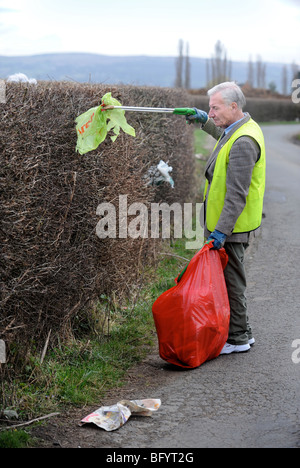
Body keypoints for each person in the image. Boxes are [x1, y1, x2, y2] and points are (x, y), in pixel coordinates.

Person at [187, 82, 266, 355]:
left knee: (233, 281)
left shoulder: (244, 142)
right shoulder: (239, 129)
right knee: (230, 277)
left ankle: (238, 339)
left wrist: (220, 232)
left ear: (234, 106)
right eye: (209, 108)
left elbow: (236, 195)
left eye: (215, 108)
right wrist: (204, 122)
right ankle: (243, 332)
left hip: (232, 225)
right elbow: (223, 138)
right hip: (230, 223)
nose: (211, 111)